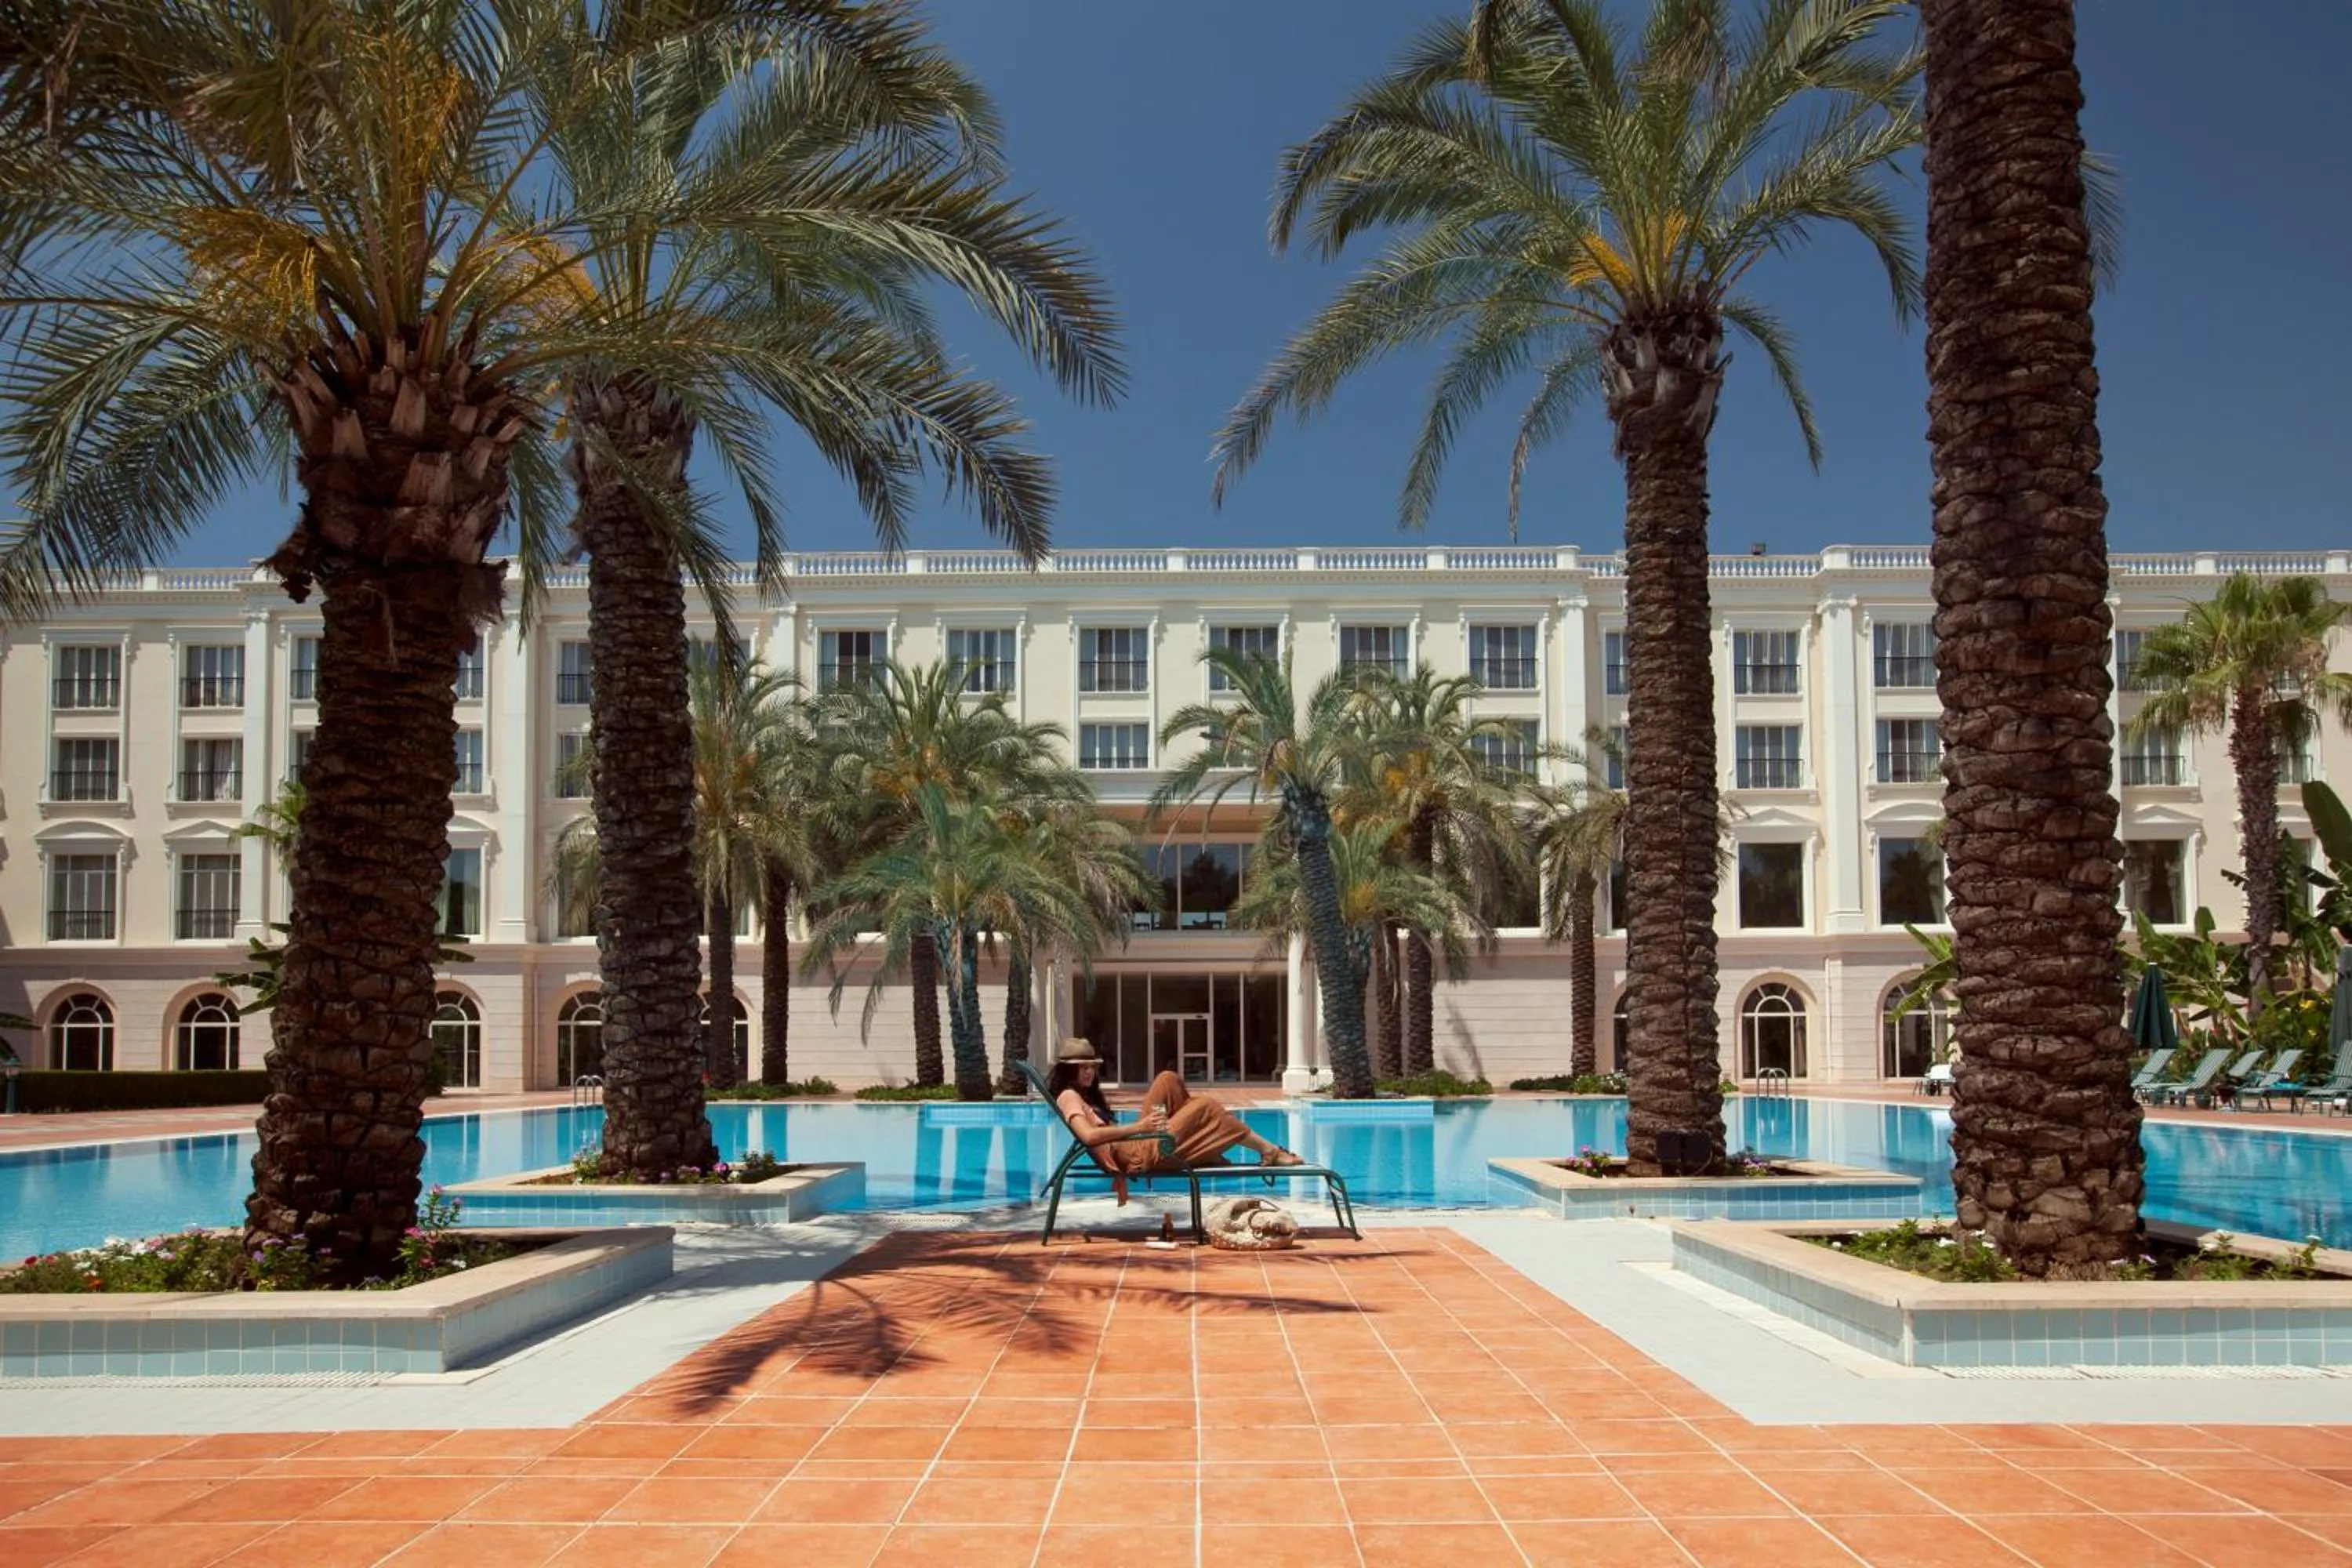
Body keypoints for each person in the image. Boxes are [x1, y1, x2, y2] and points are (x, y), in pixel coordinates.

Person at [1046, 1039, 1302, 1203]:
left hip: (1138, 1144)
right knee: (1207, 1107)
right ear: (1069, 1070)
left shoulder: (1082, 1094)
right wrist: (1140, 1128)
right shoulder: (1069, 1096)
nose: (1090, 1072)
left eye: (1092, 1066)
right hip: (1137, 1156)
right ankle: (1270, 1151)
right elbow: (1088, 1137)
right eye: (1083, 1067)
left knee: (1167, 1079)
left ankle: (1191, 1140)